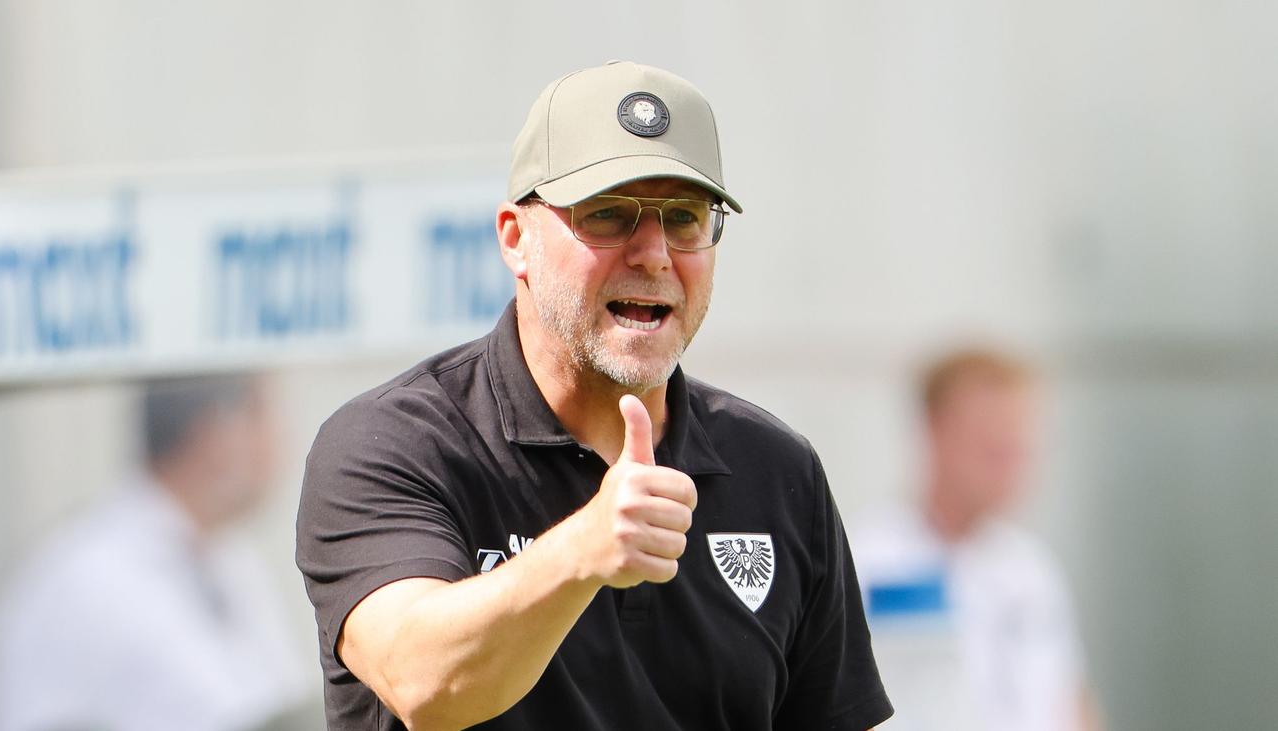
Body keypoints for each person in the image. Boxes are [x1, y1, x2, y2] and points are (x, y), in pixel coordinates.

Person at [296, 61, 893, 731]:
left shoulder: (776, 468)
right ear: (516, 239)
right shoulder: (395, 441)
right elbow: (426, 682)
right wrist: (584, 550)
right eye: (608, 214)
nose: (654, 254)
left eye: (685, 218)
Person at [0, 374, 314, 731]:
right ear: (213, 432)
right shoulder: (83, 582)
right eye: (261, 413)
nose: (280, 438)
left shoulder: (228, 560)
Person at [849, 349, 1102, 731]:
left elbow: (1070, 699)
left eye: (1017, 444)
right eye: (991, 443)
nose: (1011, 462)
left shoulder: (1030, 567)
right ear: (935, 430)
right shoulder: (867, 560)